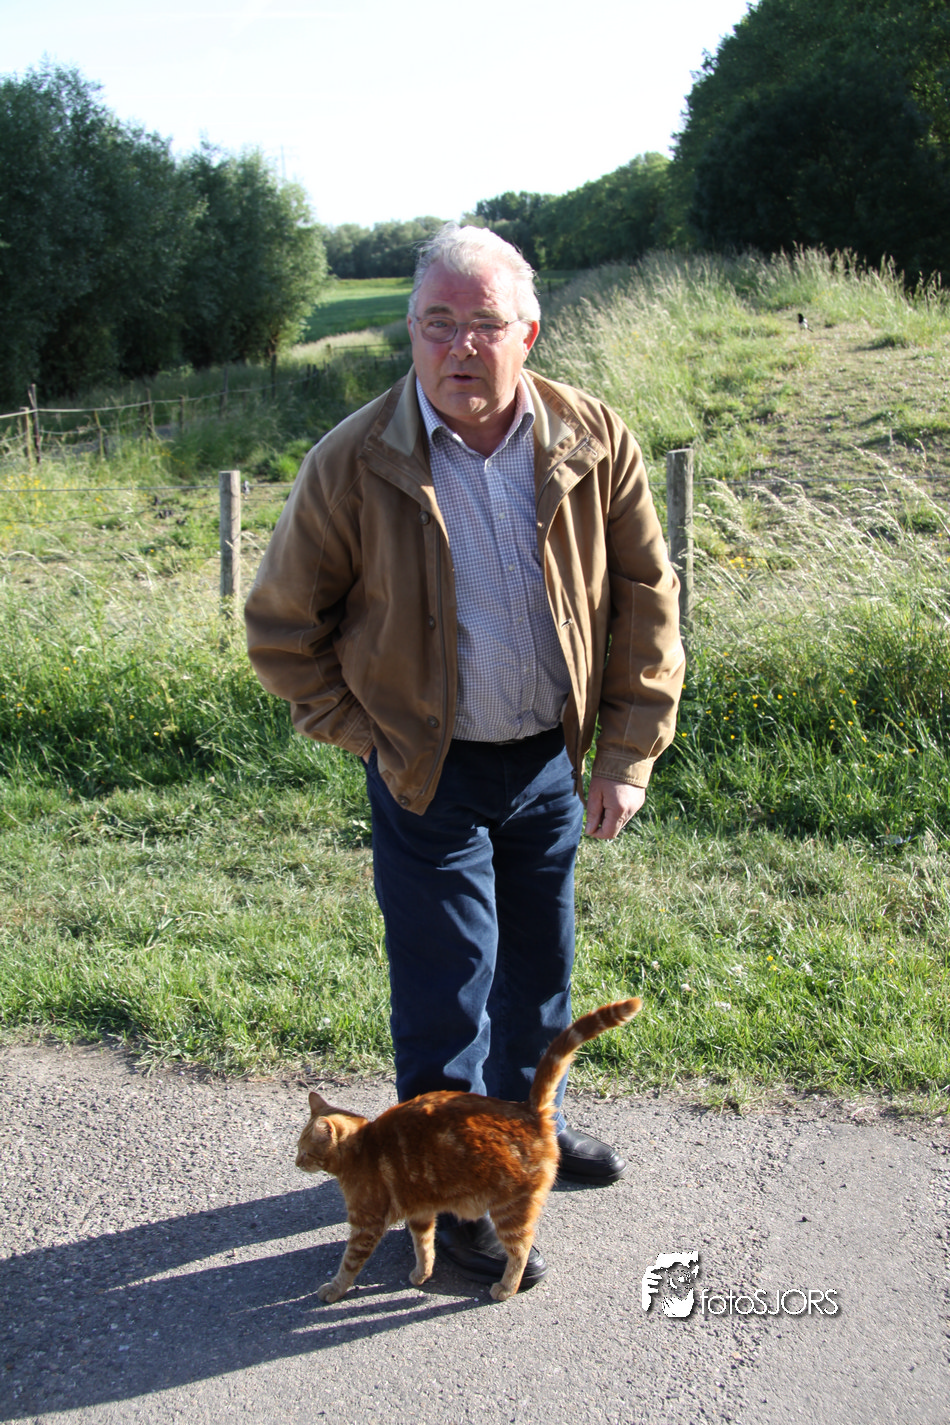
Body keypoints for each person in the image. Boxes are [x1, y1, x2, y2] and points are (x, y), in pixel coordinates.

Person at [245, 223, 685, 1288]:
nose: (459, 346)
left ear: (527, 333)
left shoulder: (592, 438)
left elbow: (645, 599)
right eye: (436, 323)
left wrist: (624, 754)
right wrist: (374, 734)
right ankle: (443, 1194)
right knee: (447, 985)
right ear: (410, 332)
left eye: (483, 323)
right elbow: (282, 630)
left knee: (538, 973)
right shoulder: (354, 460)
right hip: (425, 774)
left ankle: (524, 1137)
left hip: (546, 762)